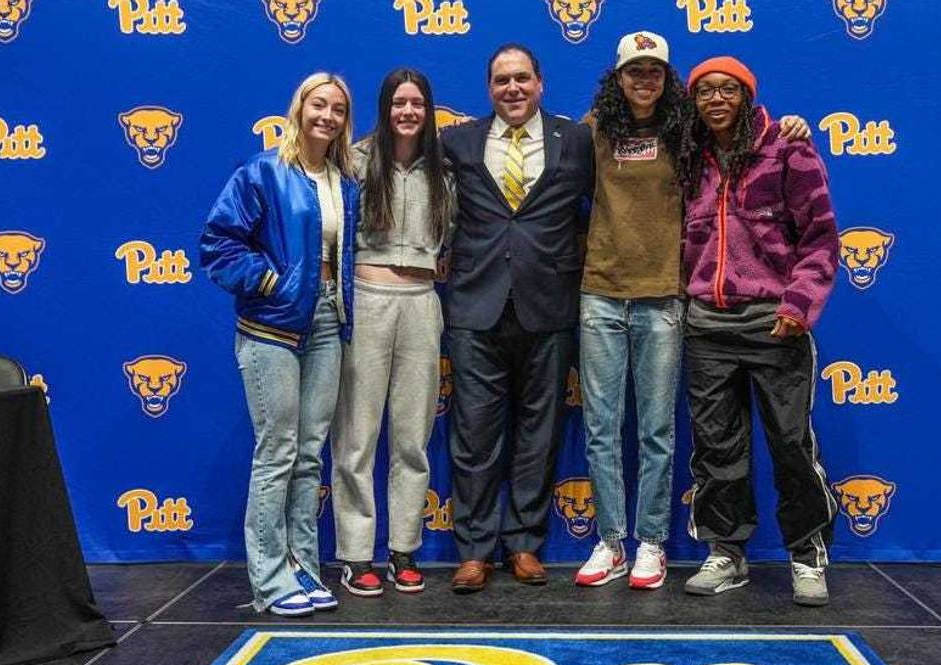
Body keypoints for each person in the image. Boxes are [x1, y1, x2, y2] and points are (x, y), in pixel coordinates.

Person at [574, 32, 811, 591]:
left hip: (665, 297)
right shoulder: (593, 130)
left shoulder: (690, 131)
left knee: (657, 430)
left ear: (668, 79)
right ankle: (610, 541)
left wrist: (789, 124)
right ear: (618, 77)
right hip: (601, 293)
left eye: (654, 71)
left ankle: (651, 542)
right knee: (601, 429)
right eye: (635, 71)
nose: (644, 81)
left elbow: (749, 132)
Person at [679, 56, 839, 606]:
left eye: (728, 90)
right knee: (717, 449)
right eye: (705, 92)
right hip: (706, 327)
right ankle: (727, 552)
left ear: (746, 96)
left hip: (776, 325)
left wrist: (799, 305)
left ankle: (807, 552)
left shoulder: (787, 149)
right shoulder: (689, 157)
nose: (716, 100)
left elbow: (820, 237)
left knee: (792, 445)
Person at [200, 73, 359, 616]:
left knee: (310, 455)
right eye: (319, 104)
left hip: (326, 323)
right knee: (277, 453)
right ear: (299, 108)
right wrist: (270, 282)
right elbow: (218, 244)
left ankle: (304, 569)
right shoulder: (264, 172)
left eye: (338, 109)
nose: (328, 116)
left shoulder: (346, 180)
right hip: (270, 329)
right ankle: (269, 582)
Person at [440, 44, 595, 593]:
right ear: (489, 87)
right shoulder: (455, 141)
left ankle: (525, 544)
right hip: (474, 308)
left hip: (549, 307)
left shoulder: (577, 141)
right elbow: (394, 165)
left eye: (522, 79)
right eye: (502, 79)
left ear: (540, 83)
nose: (513, 89)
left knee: (540, 432)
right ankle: (475, 550)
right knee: (475, 435)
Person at [331, 68, 453, 597]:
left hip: (422, 303)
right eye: (399, 103)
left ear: (428, 111)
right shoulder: (354, 161)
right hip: (368, 300)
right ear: (385, 108)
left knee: (412, 438)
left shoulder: (444, 170)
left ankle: (404, 550)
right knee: (356, 438)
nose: (408, 112)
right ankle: (356, 556)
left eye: (417, 104)